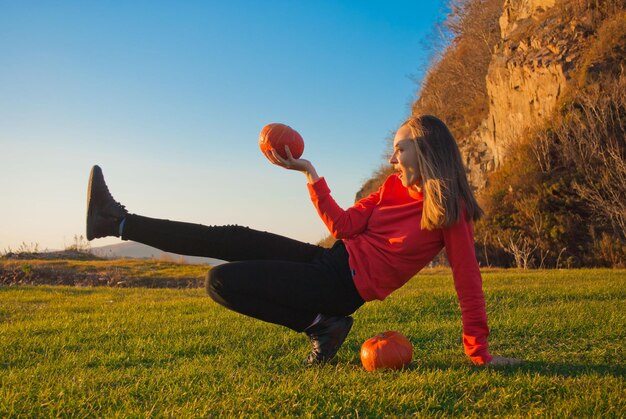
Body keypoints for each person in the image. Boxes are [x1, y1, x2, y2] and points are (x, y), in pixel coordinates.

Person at [86, 115, 522, 366]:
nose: (392, 157)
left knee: (220, 282)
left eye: (400, 149)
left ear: (426, 151)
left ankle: (324, 324)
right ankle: (117, 221)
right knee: (232, 237)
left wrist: (479, 351)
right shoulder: (390, 189)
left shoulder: (449, 212)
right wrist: (310, 174)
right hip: (330, 260)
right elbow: (344, 227)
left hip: (341, 288)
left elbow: (468, 282)